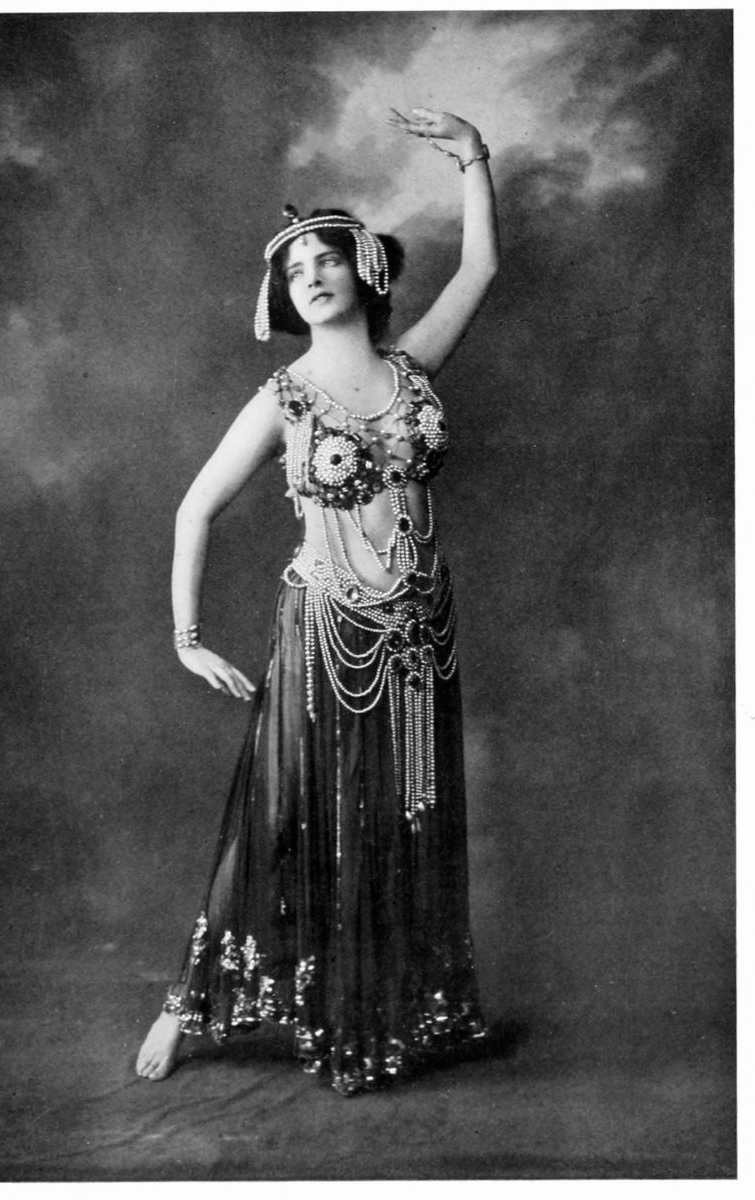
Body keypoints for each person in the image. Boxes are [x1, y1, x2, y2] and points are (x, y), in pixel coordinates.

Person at [136, 106, 499, 1096]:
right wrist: (186, 635)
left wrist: (472, 157)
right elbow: (194, 508)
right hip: (326, 630)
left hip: (421, 633)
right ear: (285, 298)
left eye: (327, 259)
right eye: (295, 271)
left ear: (365, 270)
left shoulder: (415, 364)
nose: (312, 277)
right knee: (282, 812)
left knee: (406, 816)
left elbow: (480, 269)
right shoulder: (283, 399)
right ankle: (185, 1003)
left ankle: (394, 1009)